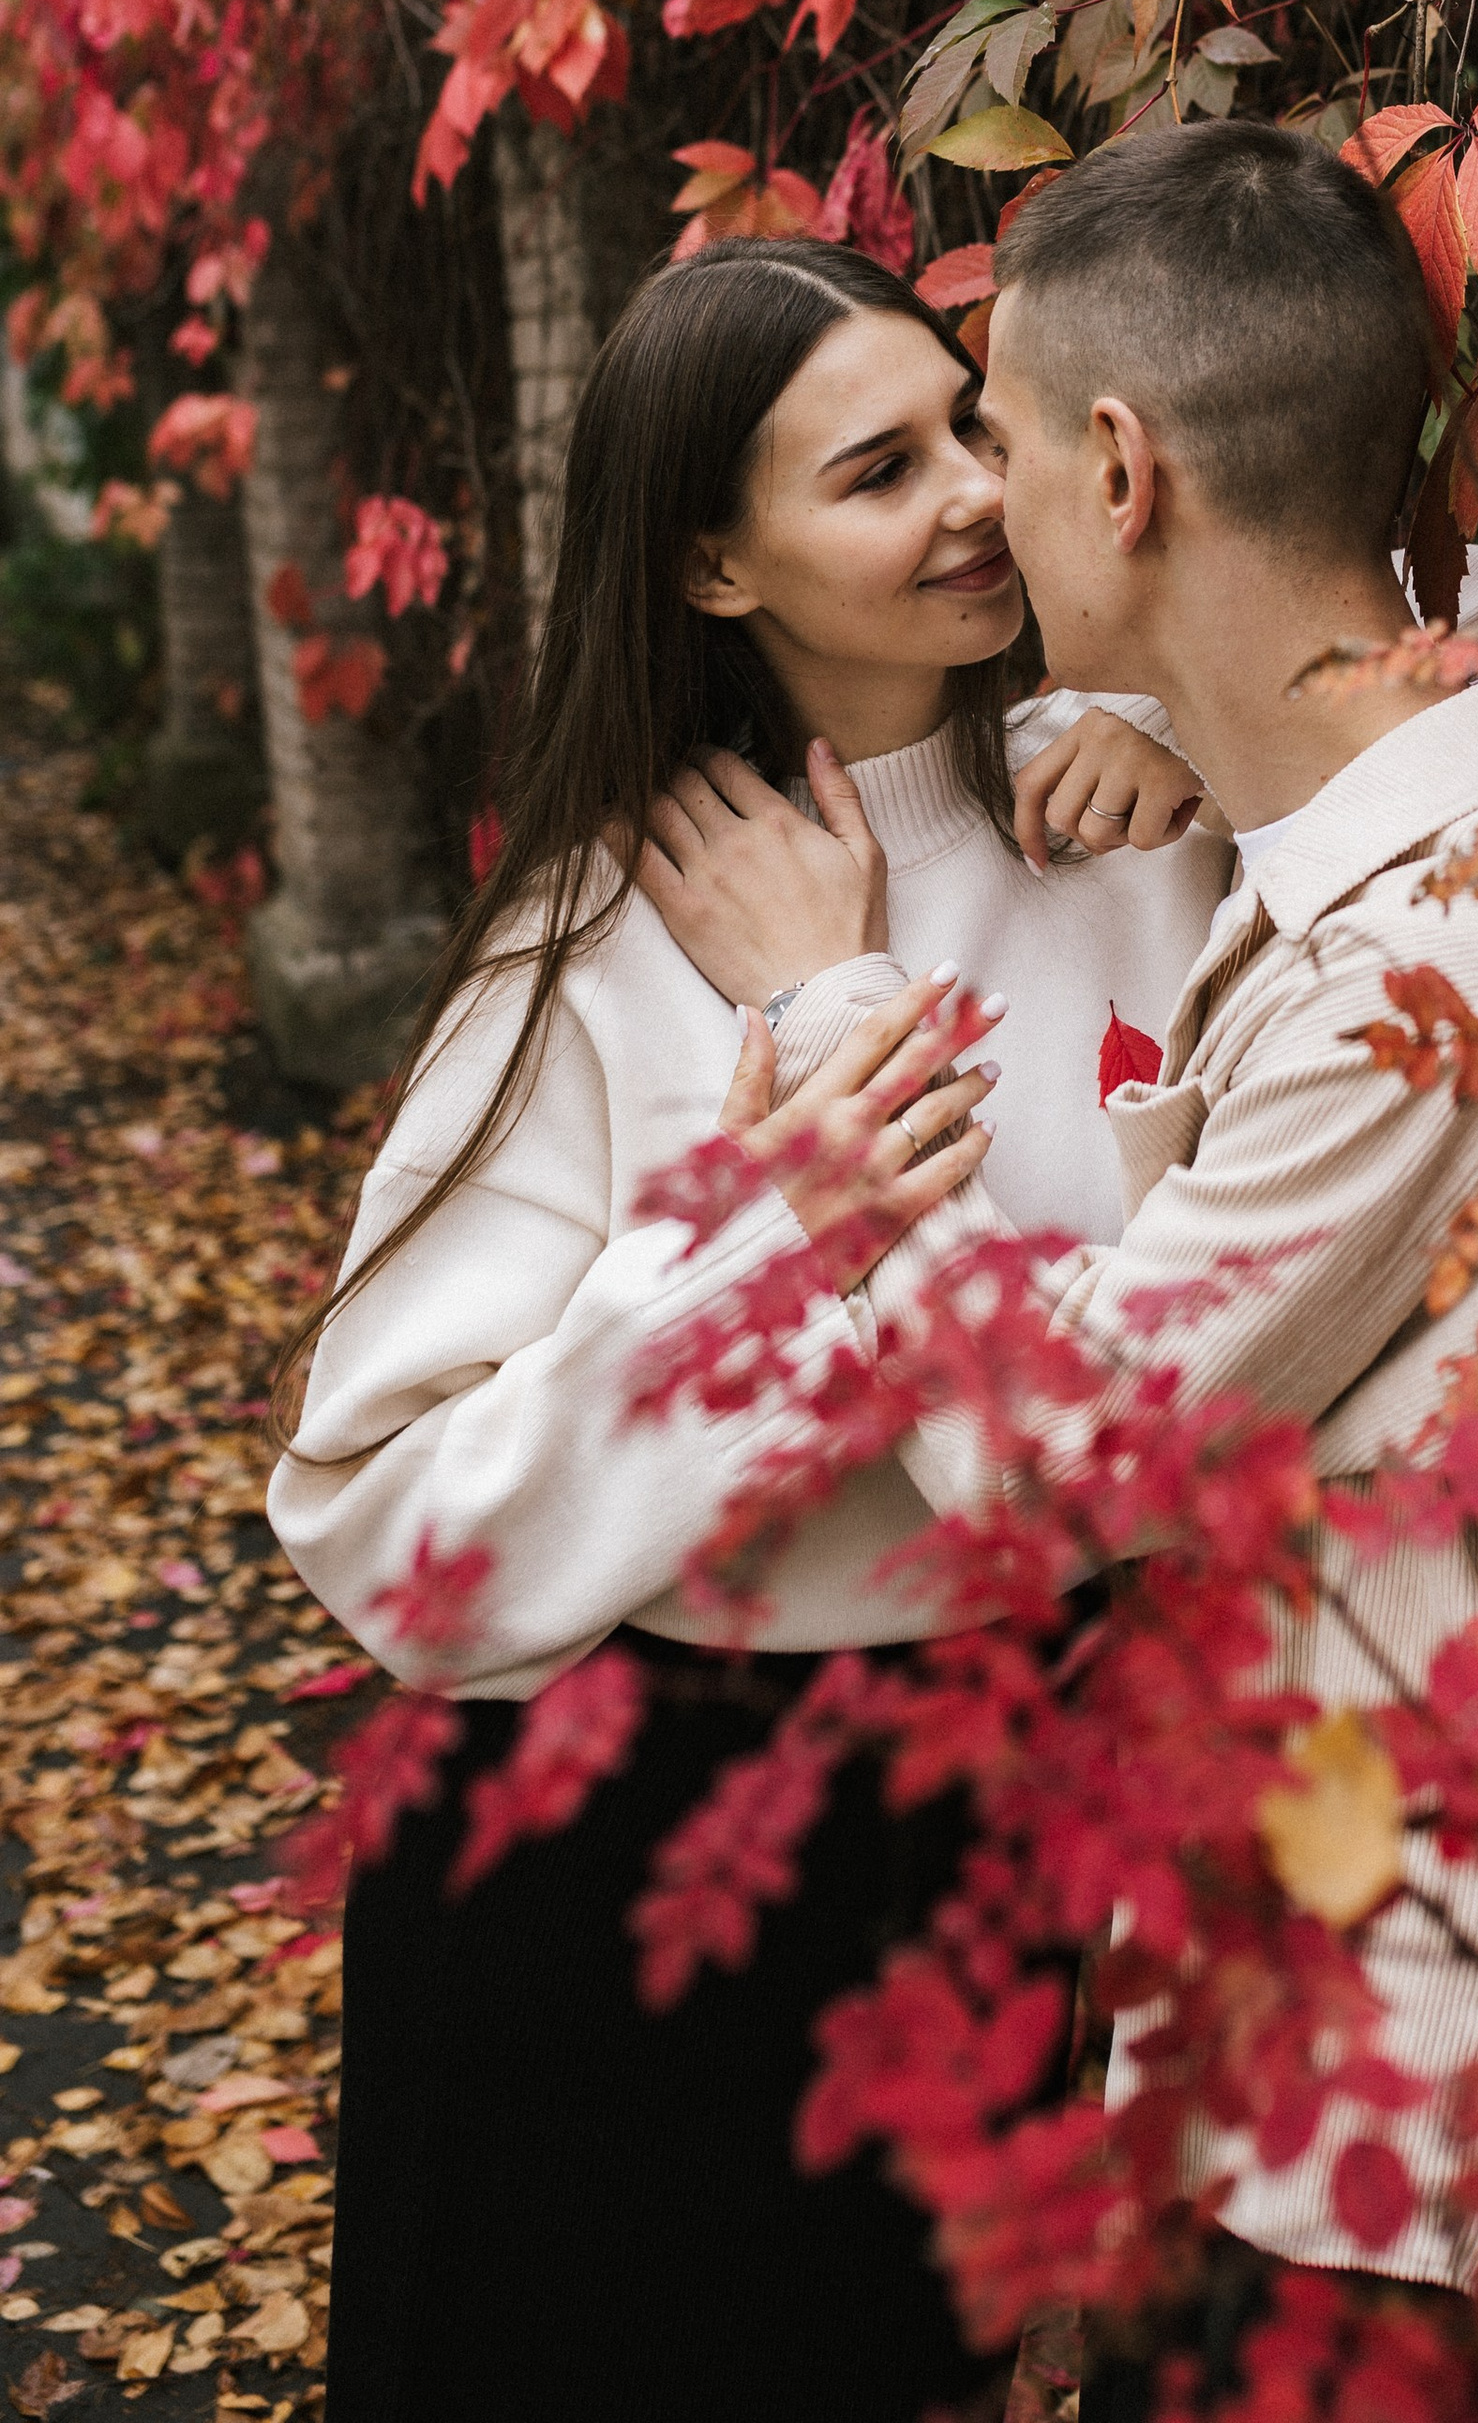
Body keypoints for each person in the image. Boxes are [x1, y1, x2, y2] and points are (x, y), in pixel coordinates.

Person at [671, 123, 1478, 2407]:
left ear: (1118, 473)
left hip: (1476, 2174)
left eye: (993, 439)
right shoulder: (1387, 893)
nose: (974, 505)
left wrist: (832, 1022)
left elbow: (1063, 1467)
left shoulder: (1456, 964)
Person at [266, 236, 1232, 2423]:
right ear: (715, 567)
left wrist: (1184, 730)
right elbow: (380, 1520)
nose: (973, 494)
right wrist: (780, 1242)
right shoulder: (613, 931)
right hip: (616, 1862)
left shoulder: (1146, 828)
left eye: (967, 426)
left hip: (991, 1816)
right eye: (878, 473)